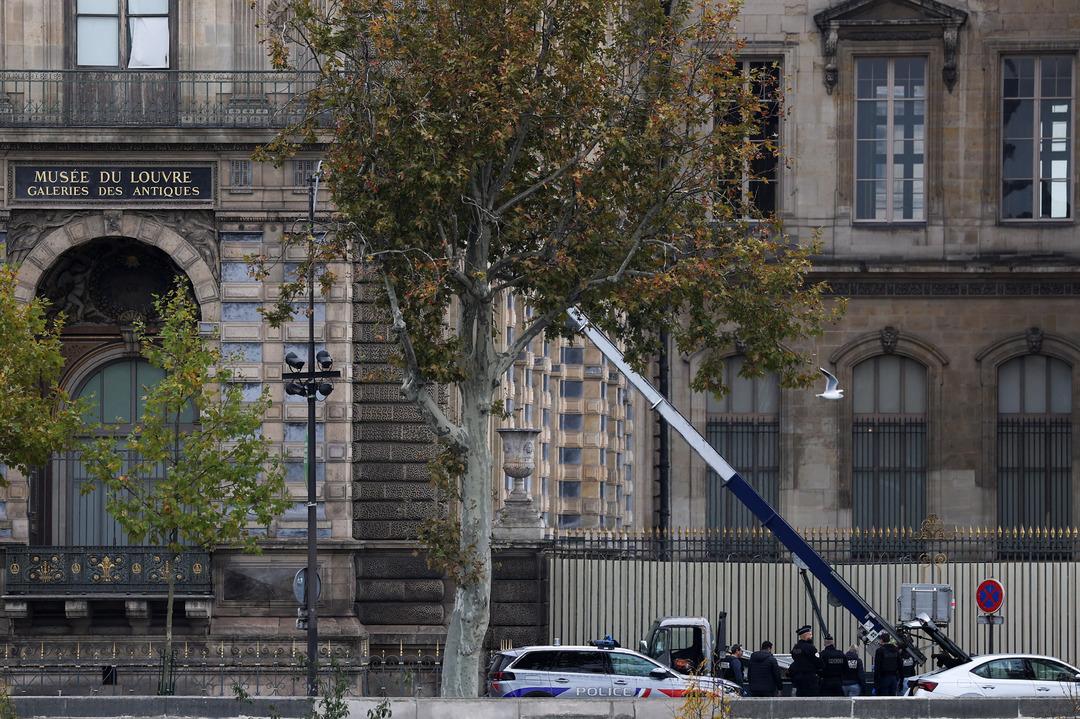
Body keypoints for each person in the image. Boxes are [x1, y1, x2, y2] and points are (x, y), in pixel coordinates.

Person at [789, 624, 822, 697]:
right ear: (806, 635)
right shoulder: (810, 648)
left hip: (798, 679)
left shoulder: (795, 648)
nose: (811, 636)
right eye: (810, 634)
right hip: (809, 679)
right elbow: (818, 662)